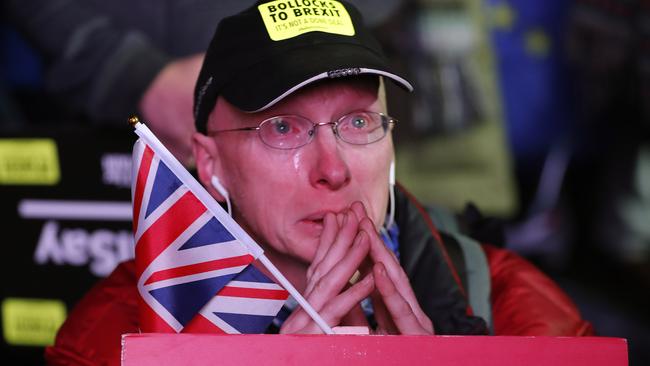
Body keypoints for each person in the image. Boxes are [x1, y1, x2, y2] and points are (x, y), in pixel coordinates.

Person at [45, 1, 593, 364]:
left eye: (358, 123)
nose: (333, 168)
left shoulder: (513, 304)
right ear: (209, 166)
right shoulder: (115, 333)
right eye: (282, 127)